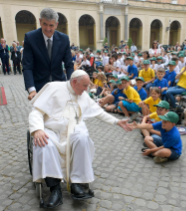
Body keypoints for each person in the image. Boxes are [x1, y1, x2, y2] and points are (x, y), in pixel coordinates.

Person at [29, 70, 131, 208]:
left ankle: (77, 183)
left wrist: (117, 122)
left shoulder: (82, 94)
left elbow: (98, 112)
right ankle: (55, 190)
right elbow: (36, 111)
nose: (86, 89)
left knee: (83, 138)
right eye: (84, 85)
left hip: (73, 129)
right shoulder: (53, 88)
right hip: (51, 130)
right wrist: (37, 129)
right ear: (74, 82)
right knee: (44, 143)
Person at [23, 8, 74, 101]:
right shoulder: (30, 38)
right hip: (39, 88)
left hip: (60, 85)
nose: (48, 29)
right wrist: (31, 89)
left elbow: (69, 65)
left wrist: (71, 85)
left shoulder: (64, 39)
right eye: (45, 24)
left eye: (51, 25)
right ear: (40, 21)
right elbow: (27, 66)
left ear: (56, 25)